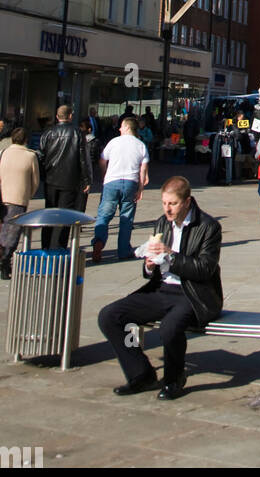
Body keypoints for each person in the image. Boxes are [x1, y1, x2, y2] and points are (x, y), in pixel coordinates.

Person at [97, 175, 222, 400]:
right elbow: (153, 270)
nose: (168, 209)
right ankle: (140, 373)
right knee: (110, 315)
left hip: (192, 293)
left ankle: (174, 378)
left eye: (172, 204)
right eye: (164, 203)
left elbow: (205, 269)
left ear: (187, 201)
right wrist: (149, 265)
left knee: (169, 328)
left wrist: (171, 257)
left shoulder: (208, 226)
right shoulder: (162, 222)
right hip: (162, 288)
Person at [91, 116, 150, 263]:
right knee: (126, 218)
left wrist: (105, 175)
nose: (119, 129)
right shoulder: (141, 145)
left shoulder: (113, 142)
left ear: (127, 128)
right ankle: (123, 251)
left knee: (104, 215)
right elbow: (143, 170)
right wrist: (140, 188)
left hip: (111, 182)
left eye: (121, 126)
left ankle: (99, 241)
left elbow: (102, 160)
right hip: (130, 182)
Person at [39, 105, 91, 248]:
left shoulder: (48, 133)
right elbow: (83, 158)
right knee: (65, 214)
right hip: (70, 179)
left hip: (51, 179)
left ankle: (46, 245)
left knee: (49, 212)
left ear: (57, 117)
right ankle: (59, 246)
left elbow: (41, 156)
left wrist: (44, 175)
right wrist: (86, 179)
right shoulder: (78, 133)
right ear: (70, 116)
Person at [0, 129, 40, 278]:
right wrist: (29, 193)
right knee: (13, 232)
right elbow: (35, 180)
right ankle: (5, 260)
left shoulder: (4, 153)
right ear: (26, 140)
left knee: (3, 228)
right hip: (19, 197)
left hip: (3, 196)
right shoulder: (30, 156)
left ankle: (3, 256)